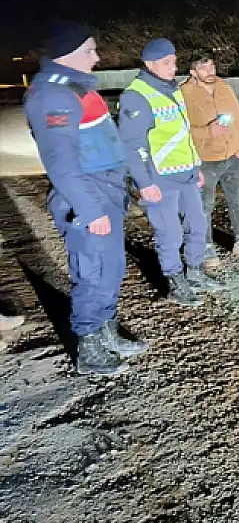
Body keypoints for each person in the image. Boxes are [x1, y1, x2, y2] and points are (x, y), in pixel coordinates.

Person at [21, 21, 149, 375]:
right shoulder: (53, 95)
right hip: (87, 193)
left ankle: (106, 332)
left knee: (110, 269)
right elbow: (60, 162)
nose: (98, 57)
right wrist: (91, 209)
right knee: (92, 272)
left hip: (106, 188)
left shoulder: (75, 88)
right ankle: (89, 347)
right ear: (69, 54)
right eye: (90, 50)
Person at [116, 38, 226, 307]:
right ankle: (175, 281)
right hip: (159, 178)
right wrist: (143, 181)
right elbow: (131, 145)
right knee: (170, 233)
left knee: (198, 225)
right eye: (167, 63)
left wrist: (195, 166)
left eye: (174, 61)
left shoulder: (172, 89)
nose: (172, 67)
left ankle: (196, 272)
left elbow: (183, 134)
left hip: (186, 173)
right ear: (149, 64)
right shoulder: (136, 95)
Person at [179, 51, 239, 268]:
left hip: (232, 155)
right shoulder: (183, 93)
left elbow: (238, 118)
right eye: (203, 68)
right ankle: (205, 247)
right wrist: (207, 131)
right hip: (205, 158)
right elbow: (180, 130)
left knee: (236, 200)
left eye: (211, 66)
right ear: (193, 72)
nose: (210, 72)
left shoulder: (224, 88)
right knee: (204, 205)